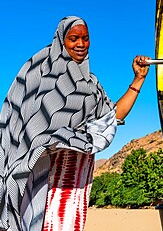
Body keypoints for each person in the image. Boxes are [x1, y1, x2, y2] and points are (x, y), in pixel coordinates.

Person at [0, 15, 150, 231]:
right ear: (61, 40)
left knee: (66, 223)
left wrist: (138, 79)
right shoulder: (38, 72)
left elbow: (112, 117)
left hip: (74, 173)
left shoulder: (91, 84)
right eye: (74, 38)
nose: (81, 44)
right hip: (40, 171)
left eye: (85, 38)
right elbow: (14, 120)